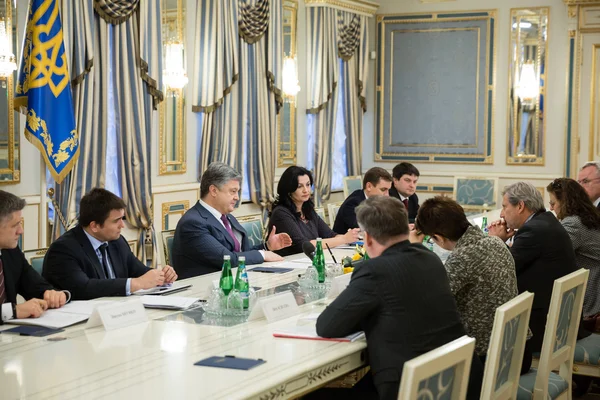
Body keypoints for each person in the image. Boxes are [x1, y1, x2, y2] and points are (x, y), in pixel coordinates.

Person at [316, 196, 483, 400]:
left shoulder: (374, 270)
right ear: (407, 230)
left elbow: (327, 326)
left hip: (411, 388)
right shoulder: (431, 259)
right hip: (459, 380)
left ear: (368, 239)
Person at [410, 196, 524, 370]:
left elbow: (424, 301)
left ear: (438, 238)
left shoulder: (462, 257)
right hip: (515, 348)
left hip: (487, 360)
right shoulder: (495, 242)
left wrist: (412, 250)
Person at [488, 182, 581, 352]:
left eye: (504, 207)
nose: (502, 214)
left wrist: (494, 241)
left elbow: (500, 270)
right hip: (558, 318)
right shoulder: (545, 221)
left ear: (520, 206)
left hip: (540, 326)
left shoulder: (533, 230)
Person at [43, 188, 178, 300]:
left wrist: (161, 276)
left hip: (117, 313)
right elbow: (84, 288)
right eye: (116, 221)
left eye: (122, 219)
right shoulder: (64, 250)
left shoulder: (117, 241)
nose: (122, 226)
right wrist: (135, 283)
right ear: (94, 226)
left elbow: (138, 271)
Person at [172, 162, 292, 278]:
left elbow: (241, 253)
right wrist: (262, 254)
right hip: (205, 291)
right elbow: (228, 259)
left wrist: (267, 247)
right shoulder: (193, 223)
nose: (237, 197)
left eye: (238, 192)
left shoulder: (228, 217)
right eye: (233, 191)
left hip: (236, 282)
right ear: (213, 190)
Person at [0, 190, 68, 324]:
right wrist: (12, 311)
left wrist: (52, 294)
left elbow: (35, 285)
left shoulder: (10, 252)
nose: (21, 231)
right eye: (15, 225)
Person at [267, 166, 359, 257]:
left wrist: (352, 237)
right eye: (300, 186)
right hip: (286, 263)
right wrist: (344, 239)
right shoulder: (281, 213)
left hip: (308, 260)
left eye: (308, 184)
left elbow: (330, 235)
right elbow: (303, 245)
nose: (306, 190)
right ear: (289, 190)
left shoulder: (307, 210)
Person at [547, 178, 600, 321]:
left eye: (553, 203)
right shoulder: (588, 217)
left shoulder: (574, 223)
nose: (551, 208)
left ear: (564, 203)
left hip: (591, 299)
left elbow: (551, 254)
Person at [333, 167, 392, 234]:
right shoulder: (352, 203)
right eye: (383, 190)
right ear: (369, 186)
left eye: (388, 190)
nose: (387, 195)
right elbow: (363, 229)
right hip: (344, 244)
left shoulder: (378, 202)